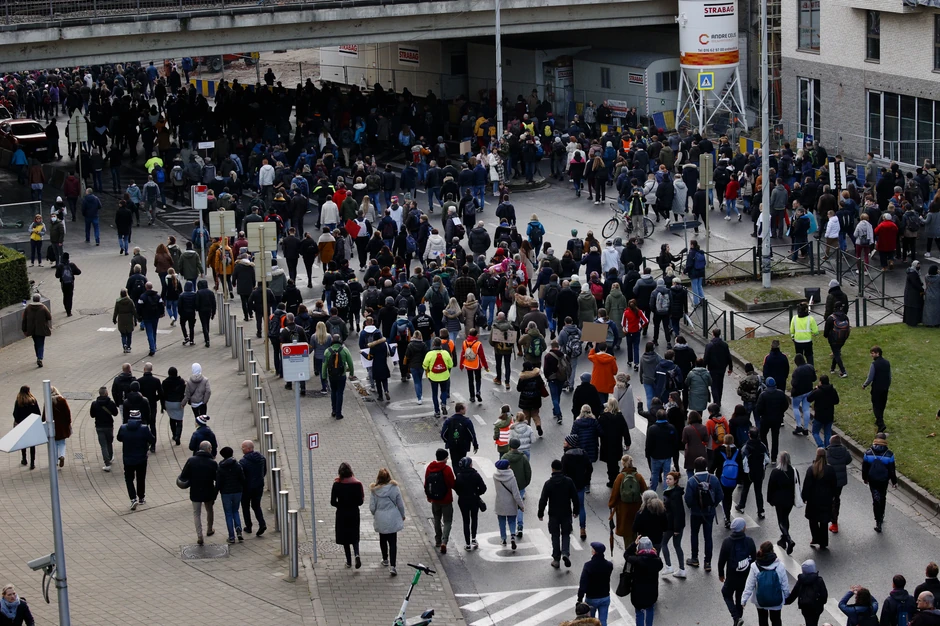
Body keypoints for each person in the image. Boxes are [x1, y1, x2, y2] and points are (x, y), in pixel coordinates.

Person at [538, 458, 580, 569]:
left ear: (552, 469)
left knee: (555, 535)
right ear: (561, 468)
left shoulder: (548, 483)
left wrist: (540, 513)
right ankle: (565, 553)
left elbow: (543, 500)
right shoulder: (568, 481)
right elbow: (575, 497)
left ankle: (556, 559)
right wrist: (576, 511)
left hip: (553, 514)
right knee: (566, 534)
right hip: (566, 512)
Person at [684, 455, 722, 571]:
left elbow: (688, 499)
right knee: (708, 537)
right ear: (706, 466)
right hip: (709, 513)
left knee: (694, 535)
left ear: (695, 467)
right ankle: (708, 562)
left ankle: (694, 558)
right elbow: (720, 495)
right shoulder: (713, 479)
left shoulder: (692, 481)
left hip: (696, 513)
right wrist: (713, 505)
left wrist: (693, 507)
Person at [718, 517, 757, 626]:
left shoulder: (727, 542)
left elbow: (721, 560)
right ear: (743, 528)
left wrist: (721, 574)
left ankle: (736, 618)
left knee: (726, 593)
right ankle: (738, 618)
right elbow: (754, 560)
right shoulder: (749, 541)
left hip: (732, 576)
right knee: (740, 598)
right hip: (745, 576)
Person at [741, 541, 790, 626]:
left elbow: (750, 584)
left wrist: (744, 600)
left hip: (760, 600)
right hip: (776, 599)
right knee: (776, 619)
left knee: (762, 619)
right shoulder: (779, 565)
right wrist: (786, 597)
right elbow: (784, 584)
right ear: (772, 551)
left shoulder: (755, 566)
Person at [179, 440, 218, 545]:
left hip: (195, 490)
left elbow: (184, 475)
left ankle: (199, 535)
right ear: (208, 449)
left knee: (196, 513)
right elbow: (217, 478)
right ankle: (209, 529)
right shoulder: (212, 463)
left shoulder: (191, 460)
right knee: (209, 510)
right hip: (208, 490)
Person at [369, 468, 406, 576]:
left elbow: (372, 507)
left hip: (380, 517)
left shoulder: (374, 490)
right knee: (393, 542)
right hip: (392, 517)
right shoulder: (394, 488)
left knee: (382, 539)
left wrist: (376, 513)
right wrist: (402, 515)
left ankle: (385, 559)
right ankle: (393, 566)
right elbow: (400, 504)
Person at [862, 432, 897, 533]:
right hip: (883, 480)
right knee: (882, 497)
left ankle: (877, 520)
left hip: (872, 480)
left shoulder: (868, 453)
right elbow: (892, 470)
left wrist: (865, 478)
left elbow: (864, 468)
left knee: (875, 498)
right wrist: (894, 481)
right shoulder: (889, 454)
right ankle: (881, 515)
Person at [609, 454, 648, 544]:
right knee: (637, 530)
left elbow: (615, 493)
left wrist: (611, 504)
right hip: (637, 507)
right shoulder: (638, 476)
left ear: (623, 464)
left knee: (627, 533)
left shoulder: (620, 477)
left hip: (624, 509)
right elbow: (645, 491)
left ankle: (629, 550)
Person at [331, 462, 364, 568]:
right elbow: (360, 502)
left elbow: (332, 502)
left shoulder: (337, 485)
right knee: (354, 535)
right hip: (354, 513)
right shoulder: (357, 484)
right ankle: (357, 554)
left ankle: (349, 562)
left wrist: (340, 505)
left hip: (342, 514)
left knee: (345, 537)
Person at [627, 536, 664, 626]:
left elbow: (626, 555)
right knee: (650, 609)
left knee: (639, 613)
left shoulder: (636, 560)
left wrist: (634, 544)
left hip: (638, 593)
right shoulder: (657, 561)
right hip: (652, 592)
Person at [425, 448, 456, 554]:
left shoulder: (430, 468)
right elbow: (452, 483)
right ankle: (444, 541)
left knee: (437, 519)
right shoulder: (447, 469)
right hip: (446, 499)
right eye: (447, 457)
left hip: (434, 499)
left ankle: (438, 540)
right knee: (447, 521)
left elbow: (426, 483)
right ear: (444, 458)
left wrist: (429, 496)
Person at [454, 457, 487, 551]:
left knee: (466, 521)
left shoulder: (459, 476)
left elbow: (456, 488)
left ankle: (467, 543)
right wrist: (477, 493)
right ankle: (473, 538)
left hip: (463, 500)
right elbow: (483, 488)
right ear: (469, 465)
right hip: (474, 499)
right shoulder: (475, 475)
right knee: (474, 518)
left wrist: (462, 494)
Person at [767, 451, 797, 554]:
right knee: (785, 518)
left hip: (779, 500)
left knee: (781, 520)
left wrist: (769, 499)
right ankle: (783, 540)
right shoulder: (793, 471)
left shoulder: (776, 472)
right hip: (790, 500)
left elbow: (771, 486)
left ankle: (788, 539)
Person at [493, 458, 525, 552]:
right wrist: (521, 505)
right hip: (511, 504)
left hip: (500, 503)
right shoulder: (512, 477)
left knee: (501, 522)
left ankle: (503, 539)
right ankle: (512, 536)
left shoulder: (495, 477)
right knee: (512, 521)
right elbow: (516, 494)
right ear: (507, 467)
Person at [578, 542, 614, 625]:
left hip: (591, 598)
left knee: (590, 622)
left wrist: (580, 598)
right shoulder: (609, 565)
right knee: (603, 621)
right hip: (605, 597)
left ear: (594, 552)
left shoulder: (588, 565)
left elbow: (583, 582)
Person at [598, 398, 631, 487]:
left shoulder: (603, 417)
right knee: (615, 462)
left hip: (606, 443)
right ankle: (616, 477)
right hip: (617, 443)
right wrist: (627, 442)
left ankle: (612, 480)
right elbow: (625, 430)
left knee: (610, 463)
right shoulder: (620, 417)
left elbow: (598, 430)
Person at [785, 559, 829, 626]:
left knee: (808, 621)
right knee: (814, 621)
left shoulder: (801, 581)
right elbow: (824, 594)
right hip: (817, 607)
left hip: (805, 607)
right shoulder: (819, 580)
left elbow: (794, 593)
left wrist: (786, 601)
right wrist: (822, 602)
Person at [238, 440, 267, 536]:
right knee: (256, 505)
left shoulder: (243, 462)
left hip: (247, 488)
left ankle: (248, 526)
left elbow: (242, 476)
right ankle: (262, 523)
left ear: (249, 448)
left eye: (243, 447)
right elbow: (264, 471)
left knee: (245, 506)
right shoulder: (261, 458)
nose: (242, 449)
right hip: (259, 486)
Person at [755, 377, 788, 460]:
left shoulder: (763, 395)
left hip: (765, 419)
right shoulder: (780, 393)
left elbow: (758, 408)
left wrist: (762, 414)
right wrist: (781, 412)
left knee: (763, 435)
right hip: (777, 419)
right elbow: (785, 405)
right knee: (775, 438)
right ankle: (774, 457)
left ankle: (766, 453)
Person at [440, 402, 479, 467]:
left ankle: (457, 472)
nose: (466, 410)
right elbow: (472, 435)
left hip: (453, 446)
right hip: (463, 446)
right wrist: (475, 445)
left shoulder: (448, 421)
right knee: (462, 462)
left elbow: (443, 434)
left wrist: (449, 441)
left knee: (455, 463)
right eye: (464, 408)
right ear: (461, 410)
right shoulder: (467, 421)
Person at [423, 337, 454, 418]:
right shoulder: (445, 353)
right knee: (444, 391)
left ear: (433, 344)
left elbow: (424, 365)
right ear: (441, 344)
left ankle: (437, 411)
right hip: (444, 376)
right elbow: (451, 365)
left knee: (434, 394)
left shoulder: (429, 354)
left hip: (433, 377)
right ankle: (443, 404)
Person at [862, 346, 891, 432]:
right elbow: (889, 376)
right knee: (882, 404)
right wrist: (888, 385)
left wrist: (864, 385)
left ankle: (881, 424)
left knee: (876, 406)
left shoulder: (874, 364)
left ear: (878, 353)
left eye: (873, 353)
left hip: (877, 388)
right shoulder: (887, 363)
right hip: (885, 388)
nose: (871, 355)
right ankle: (878, 420)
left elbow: (870, 378)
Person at [89, 386, 118, 472]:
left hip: (99, 427)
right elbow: (115, 413)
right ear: (106, 393)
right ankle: (110, 457)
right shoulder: (111, 403)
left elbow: (92, 415)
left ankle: (107, 464)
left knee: (103, 445)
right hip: (109, 426)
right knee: (109, 442)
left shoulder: (94, 404)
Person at [704, 329, 733, 408]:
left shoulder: (709, 345)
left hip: (713, 368)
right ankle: (719, 400)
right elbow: (728, 357)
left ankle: (716, 402)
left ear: (713, 334)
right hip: (722, 368)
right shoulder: (724, 345)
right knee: (720, 385)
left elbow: (706, 358)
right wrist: (730, 367)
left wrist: (703, 368)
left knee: (714, 386)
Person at [12, 386, 40, 470]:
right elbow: (38, 413)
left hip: (22, 424)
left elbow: (15, 414)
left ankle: (24, 459)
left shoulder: (19, 401)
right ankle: (32, 463)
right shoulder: (33, 401)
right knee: (32, 444)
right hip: (31, 424)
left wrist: (18, 421)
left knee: (23, 442)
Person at [21, 294, 51, 368]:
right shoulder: (43, 307)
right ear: (39, 299)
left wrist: (24, 329)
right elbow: (49, 317)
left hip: (32, 329)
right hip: (41, 328)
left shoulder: (28, 308)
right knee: (41, 343)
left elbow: (24, 319)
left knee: (36, 343)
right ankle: (39, 358)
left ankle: (38, 355)